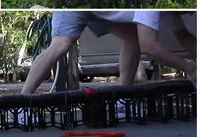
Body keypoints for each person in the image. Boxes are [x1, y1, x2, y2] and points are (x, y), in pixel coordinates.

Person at [21, 11, 196, 95]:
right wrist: (190, 68)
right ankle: (23, 103)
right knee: (61, 44)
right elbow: (149, 46)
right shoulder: (151, 9)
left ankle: (122, 96)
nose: (190, 14)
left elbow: (184, 36)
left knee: (132, 36)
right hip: (77, 5)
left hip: (101, 11)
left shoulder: (174, 13)